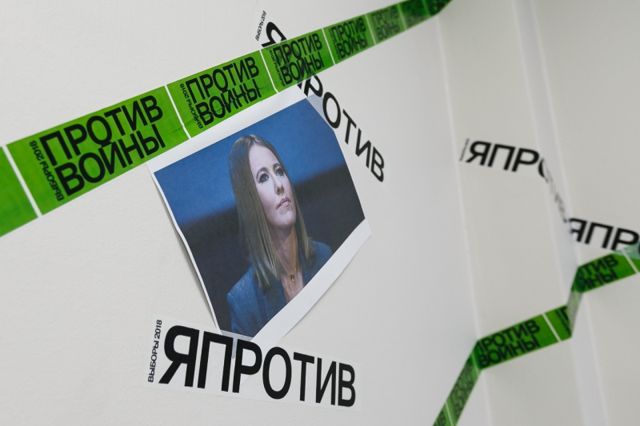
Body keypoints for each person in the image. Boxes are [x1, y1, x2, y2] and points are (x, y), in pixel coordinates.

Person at [226, 135, 331, 337]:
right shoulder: (244, 302)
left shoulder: (324, 256)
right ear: (250, 200)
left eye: (279, 171)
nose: (279, 185)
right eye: (263, 178)